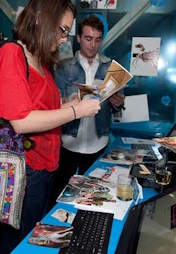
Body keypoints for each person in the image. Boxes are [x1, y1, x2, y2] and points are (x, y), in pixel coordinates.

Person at [0, 0, 101, 253]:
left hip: (47, 165)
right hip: (27, 170)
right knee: (18, 243)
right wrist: (77, 111)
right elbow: (21, 121)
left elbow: (41, 109)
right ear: (40, 18)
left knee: (36, 239)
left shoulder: (40, 60)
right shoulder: (12, 53)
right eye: (61, 30)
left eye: (66, 32)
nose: (63, 39)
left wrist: (69, 104)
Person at [49, 15, 125, 208]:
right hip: (68, 141)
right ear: (79, 38)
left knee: (91, 199)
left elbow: (116, 108)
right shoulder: (64, 67)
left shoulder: (111, 67)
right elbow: (54, 105)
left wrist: (117, 103)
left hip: (97, 142)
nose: (93, 45)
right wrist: (70, 101)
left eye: (98, 39)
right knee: (58, 196)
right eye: (88, 38)